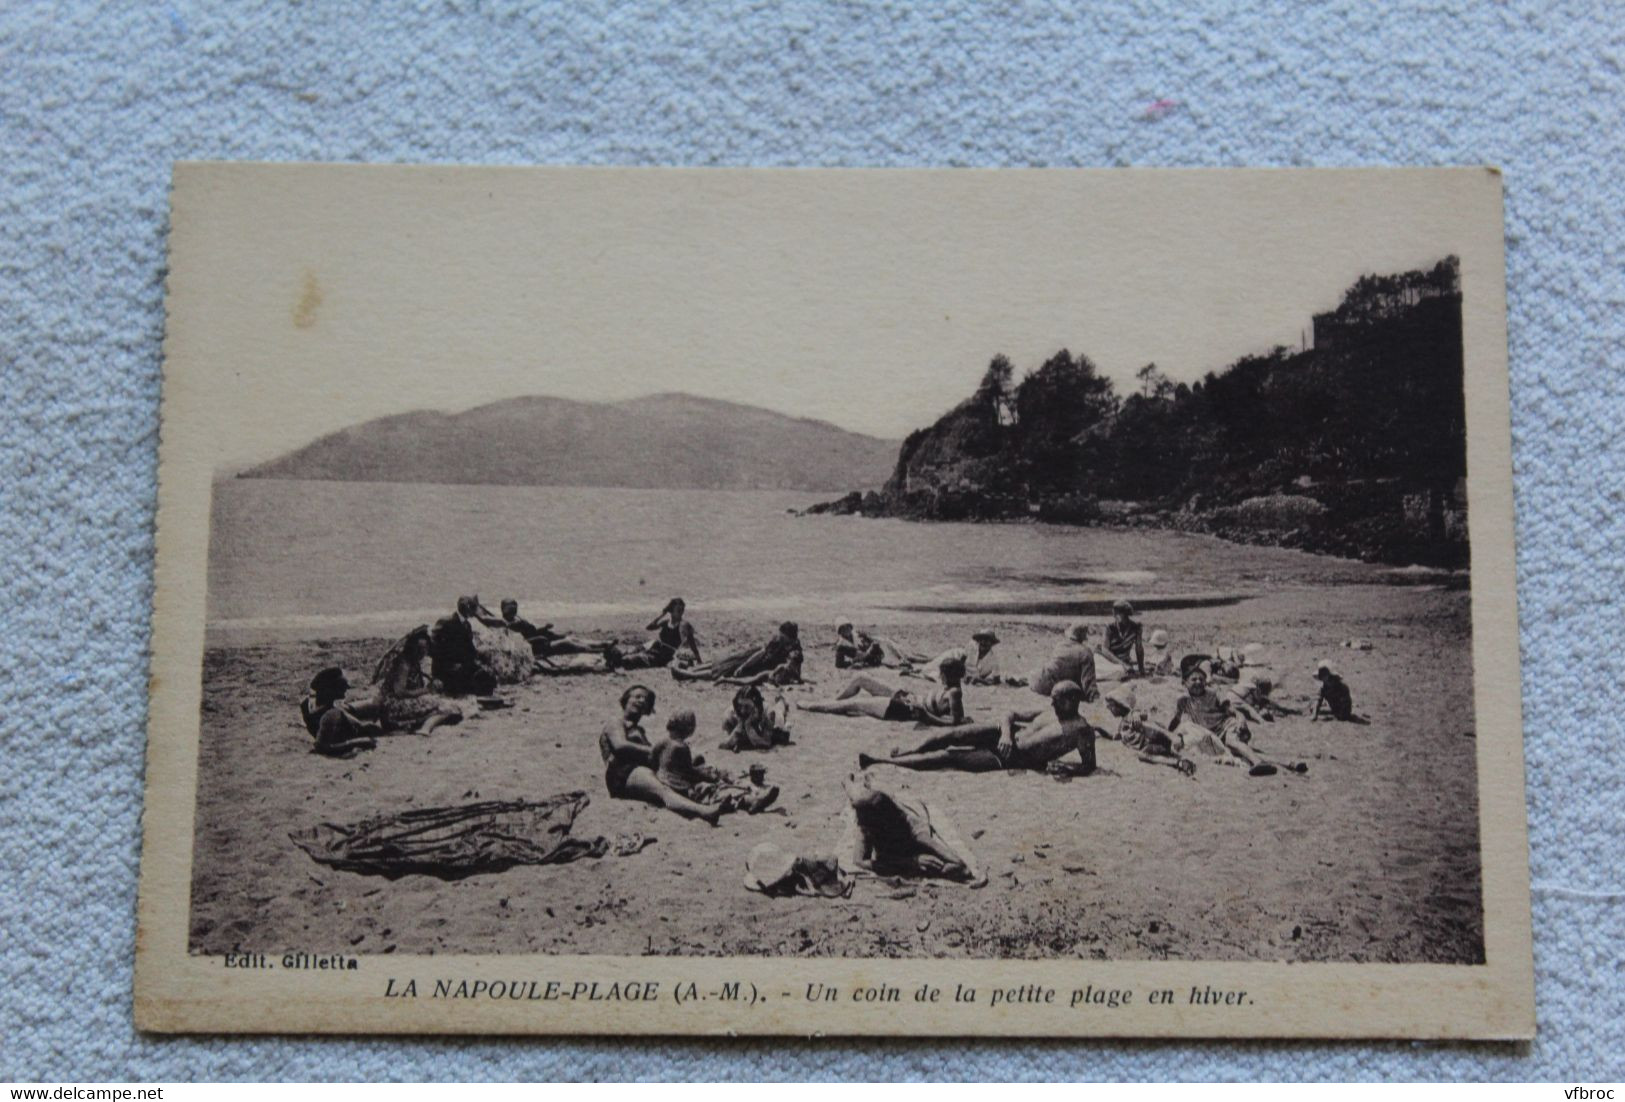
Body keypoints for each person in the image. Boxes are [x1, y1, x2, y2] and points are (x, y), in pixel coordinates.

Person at [858, 680, 1093, 774]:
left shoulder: (1081, 730)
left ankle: (883, 762)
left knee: (949, 757)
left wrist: (1069, 770)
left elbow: (1089, 765)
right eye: (1051, 697)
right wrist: (1008, 735)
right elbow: (1009, 713)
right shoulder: (1049, 710)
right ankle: (909, 751)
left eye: (1057, 699)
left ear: (1072, 701)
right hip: (1005, 736)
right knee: (950, 734)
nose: (1051, 702)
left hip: (1014, 758)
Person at [599, 685, 725, 825]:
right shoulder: (616, 723)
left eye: (645, 699)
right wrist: (656, 750)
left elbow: (651, 759)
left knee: (684, 774)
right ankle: (703, 811)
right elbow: (620, 746)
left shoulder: (639, 730)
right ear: (626, 700)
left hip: (638, 771)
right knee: (664, 790)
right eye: (637, 697)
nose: (641, 701)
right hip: (621, 773)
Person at [840, 772, 984, 884]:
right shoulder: (866, 824)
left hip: (910, 807)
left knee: (886, 795)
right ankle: (848, 781)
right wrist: (912, 862)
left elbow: (959, 863)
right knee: (856, 796)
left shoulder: (913, 828)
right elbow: (858, 861)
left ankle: (870, 782)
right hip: (883, 809)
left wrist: (952, 867)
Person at [1168, 667, 1306, 776]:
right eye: (1193, 679)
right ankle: (1290, 763)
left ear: (1205, 681)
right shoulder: (1183, 701)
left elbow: (1233, 711)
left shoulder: (1214, 694)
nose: (1198, 682)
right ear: (1184, 682)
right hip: (1214, 735)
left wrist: (1241, 720)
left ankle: (1257, 763)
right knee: (1244, 752)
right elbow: (1176, 720)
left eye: (1201, 679)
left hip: (1228, 725)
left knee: (1233, 742)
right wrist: (1168, 735)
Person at [652, 711, 779, 814]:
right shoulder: (681, 747)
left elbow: (653, 758)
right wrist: (707, 776)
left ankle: (743, 796)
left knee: (707, 774)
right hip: (681, 787)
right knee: (712, 791)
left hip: (664, 780)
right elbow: (688, 772)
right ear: (688, 729)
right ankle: (750, 801)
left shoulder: (662, 741)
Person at [803, 655, 966, 725]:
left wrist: (926, 717)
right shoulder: (951, 690)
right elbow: (958, 718)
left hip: (904, 709)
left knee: (856, 704)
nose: (940, 677)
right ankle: (832, 702)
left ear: (950, 675)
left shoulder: (954, 693)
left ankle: (812, 706)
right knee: (861, 678)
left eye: (942, 674)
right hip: (907, 698)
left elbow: (954, 722)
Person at [370, 626, 464, 733]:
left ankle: (424, 725)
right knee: (444, 707)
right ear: (412, 647)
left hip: (401, 703)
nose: (422, 653)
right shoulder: (404, 664)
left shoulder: (413, 662)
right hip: (394, 707)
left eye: (425, 649)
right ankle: (426, 727)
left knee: (445, 706)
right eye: (419, 649)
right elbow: (399, 692)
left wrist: (431, 686)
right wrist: (425, 690)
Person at [1100, 686, 1195, 775]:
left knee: (1143, 750)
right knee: (1144, 754)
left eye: (1111, 706)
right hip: (1150, 745)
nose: (1109, 709)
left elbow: (1144, 716)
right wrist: (1099, 729)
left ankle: (1177, 756)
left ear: (1120, 705)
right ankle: (1178, 761)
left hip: (1157, 741)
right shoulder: (1123, 724)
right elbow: (1114, 736)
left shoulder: (1132, 716)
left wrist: (1136, 715)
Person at [670, 621, 803, 685]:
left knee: (723, 669)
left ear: (789, 638)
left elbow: (795, 668)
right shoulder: (779, 641)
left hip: (759, 664)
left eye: (782, 637)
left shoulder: (794, 649)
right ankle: (691, 670)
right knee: (724, 664)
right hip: (755, 659)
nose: (779, 638)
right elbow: (761, 653)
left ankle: (687, 674)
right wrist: (744, 666)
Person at [299, 666, 381, 757]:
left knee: (374, 704)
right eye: (342, 687)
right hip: (347, 730)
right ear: (332, 691)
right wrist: (362, 742)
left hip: (339, 719)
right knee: (376, 707)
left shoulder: (308, 705)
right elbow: (322, 747)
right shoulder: (331, 715)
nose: (346, 689)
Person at [500, 598, 615, 658]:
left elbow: (531, 632)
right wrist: (541, 636)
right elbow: (522, 641)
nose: (514, 610)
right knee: (568, 643)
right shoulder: (508, 624)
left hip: (543, 640)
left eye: (515, 607)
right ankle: (598, 649)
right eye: (511, 608)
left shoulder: (516, 619)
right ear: (504, 609)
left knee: (572, 639)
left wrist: (544, 629)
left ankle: (603, 643)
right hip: (539, 646)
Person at [429, 595, 497, 696]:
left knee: (487, 678)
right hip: (447, 669)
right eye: (473, 607)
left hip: (463, 667)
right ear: (466, 608)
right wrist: (449, 664)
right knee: (470, 684)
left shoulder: (467, 625)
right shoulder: (446, 622)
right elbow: (433, 647)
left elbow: (470, 650)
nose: (474, 612)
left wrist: (477, 661)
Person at [617, 598, 702, 670]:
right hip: (653, 648)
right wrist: (662, 614)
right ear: (671, 611)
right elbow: (649, 627)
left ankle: (619, 661)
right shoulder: (666, 622)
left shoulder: (684, 625)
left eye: (682, 610)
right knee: (628, 653)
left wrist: (699, 661)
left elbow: (692, 644)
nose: (681, 613)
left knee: (629, 660)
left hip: (665, 655)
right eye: (678, 610)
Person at [1027, 621, 1099, 701]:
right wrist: (1094, 695)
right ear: (1083, 636)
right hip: (1059, 689)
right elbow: (1088, 681)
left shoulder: (1060, 645)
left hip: (1041, 683)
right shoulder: (1085, 652)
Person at [912, 630, 1004, 685]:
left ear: (992, 644)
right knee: (935, 668)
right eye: (981, 640)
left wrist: (980, 680)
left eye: (987, 641)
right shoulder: (971, 648)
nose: (983, 643)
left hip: (966, 674)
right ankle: (917, 670)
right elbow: (959, 663)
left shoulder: (993, 660)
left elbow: (996, 680)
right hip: (955, 656)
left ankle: (917, 670)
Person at [719, 683, 793, 751]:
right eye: (740, 706)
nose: (742, 711)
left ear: (756, 707)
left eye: (747, 707)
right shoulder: (730, 713)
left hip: (771, 715)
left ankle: (782, 701)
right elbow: (723, 744)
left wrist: (748, 726)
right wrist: (740, 724)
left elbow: (766, 742)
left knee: (779, 710)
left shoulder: (769, 713)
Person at [834, 619, 928, 670]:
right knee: (902, 660)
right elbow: (839, 664)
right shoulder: (842, 646)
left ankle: (926, 659)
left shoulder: (857, 635)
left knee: (907, 655)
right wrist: (852, 662)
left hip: (879, 649)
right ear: (840, 631)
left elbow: (871, 640)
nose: (846, 630)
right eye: (843, 628)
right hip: (874, 657)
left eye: (848, 627)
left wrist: (871, 643)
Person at [1102, 599, 1146, 677]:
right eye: (1114, 613)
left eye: (1119, 613)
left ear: (1126, 614)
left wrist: (1141, 668)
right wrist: (1122, 664)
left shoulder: (1136, 627)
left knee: (1123, 672)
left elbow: (1139, 648)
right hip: (1108, 660)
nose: (1115, 616)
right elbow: (1105, 650)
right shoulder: (1109, 627)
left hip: (1124, 660)